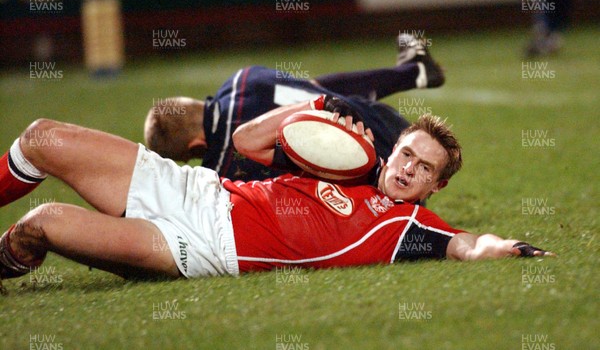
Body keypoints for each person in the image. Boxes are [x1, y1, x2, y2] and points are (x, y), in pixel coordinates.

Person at [0, 107, 553, 293]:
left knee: (40, 224)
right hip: (198, 189)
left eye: (424, 168)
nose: (409, 169)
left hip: (196, 246)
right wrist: (308, 114)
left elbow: (464, 243)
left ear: (437, 186)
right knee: (41, 137)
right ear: (392, 151)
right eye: (407, 154)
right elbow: (244, 142)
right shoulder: (340, 158)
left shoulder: (406, 225)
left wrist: (503, 248)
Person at [144, 34, 441, 181]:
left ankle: (415, 71)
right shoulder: (245, 78)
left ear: (196, 147)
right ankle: (414, 71)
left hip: (386, 186)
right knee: (312, 90)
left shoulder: (223, 172)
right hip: (398, 132)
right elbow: (316, 91)